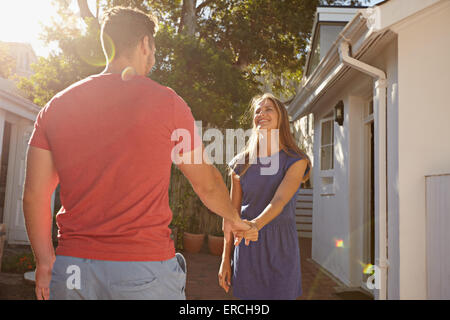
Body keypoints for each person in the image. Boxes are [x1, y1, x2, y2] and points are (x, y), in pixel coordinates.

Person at [23, 6, 252, 300]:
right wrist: (233, 217)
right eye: (154, 49)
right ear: (145, 44)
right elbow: (205, 183)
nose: (154, 58)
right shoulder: (168, 103)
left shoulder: (55, 107)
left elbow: (34, 195)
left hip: (72, 270)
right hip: (142, 270)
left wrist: (44, 262)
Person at [218, 93, 312, 300]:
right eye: (258, 110)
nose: (262, 113)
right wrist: (226, 258)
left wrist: (254, 226)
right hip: (247, 247)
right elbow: (231, 215)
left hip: (280, 246)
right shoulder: (240, 165)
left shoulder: (296, 160)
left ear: (281, 118)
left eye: (268, 109)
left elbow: (279, 202)